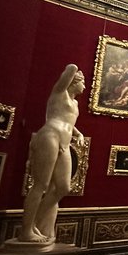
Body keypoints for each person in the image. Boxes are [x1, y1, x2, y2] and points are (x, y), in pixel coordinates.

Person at [19, 64, 85, 243]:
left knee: (64, 188)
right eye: (82, 82)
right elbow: (70, 69)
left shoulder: (76, 103)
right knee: (41, 185)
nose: (84, 87)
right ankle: (26, 231)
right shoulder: (59, 93)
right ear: (73, 82)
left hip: (64, 141)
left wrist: (77, 134)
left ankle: (36, 222)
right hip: (50, 136)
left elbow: (69, 122)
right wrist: (74, 69)